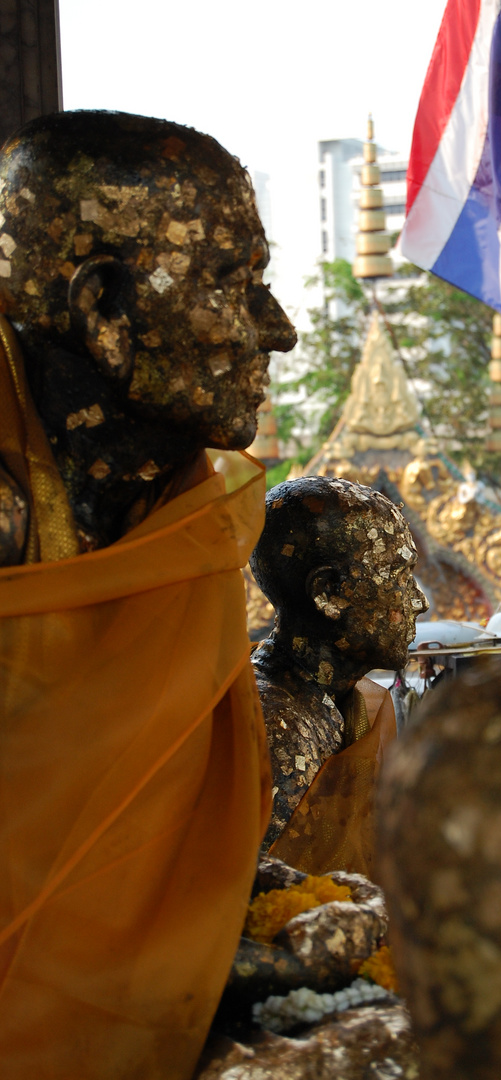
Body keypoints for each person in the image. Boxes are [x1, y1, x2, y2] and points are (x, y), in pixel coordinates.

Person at [0, 111, 296, 1080]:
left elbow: (143, 821)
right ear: (103, 313)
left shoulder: (169, 499)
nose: (278, 330)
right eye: (232, 284)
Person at [250, 475, 429, 878]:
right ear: (329, 594)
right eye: (401, 578)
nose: (420, 601)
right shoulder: (277, 725)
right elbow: (265, 905)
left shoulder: (341, 701)